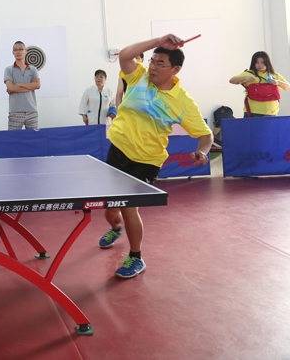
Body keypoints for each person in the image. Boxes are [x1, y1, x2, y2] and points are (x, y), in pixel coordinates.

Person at [99, 35, 212, 279]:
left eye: (161, 63)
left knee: (129, 208)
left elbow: (206, 134)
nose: (153, 67)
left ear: (175, 70)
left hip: (146, 160)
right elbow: (124, 55)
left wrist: (203, 151)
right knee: (111, 208)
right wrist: (159, 41)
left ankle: (136, 257)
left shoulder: (183, 102)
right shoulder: (138, 76)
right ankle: (115, 227)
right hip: (118, 151)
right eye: (152, 61)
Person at [229, 51, 290, 117]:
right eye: (257, 63)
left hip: (272, 113)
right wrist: (245, 77)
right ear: (253, 63)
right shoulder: (249, 73)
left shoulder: (274, 75)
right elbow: (232, 80)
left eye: (262, 63)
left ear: (267, 63)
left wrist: (278, 82)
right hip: (253, 112)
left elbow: (288, 87)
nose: (260, 65)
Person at [4, 41, 40, 130]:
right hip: (15, 111)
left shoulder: (33, 69)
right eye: (15, 50)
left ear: (26, 51)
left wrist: (18, 85)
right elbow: (11, 88)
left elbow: (37, 85)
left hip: (32, 111)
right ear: (13, 52)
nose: (18, 52)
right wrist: (31, 85)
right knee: (13, 137)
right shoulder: (8, 69)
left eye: (20, 49)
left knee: (33, 137)